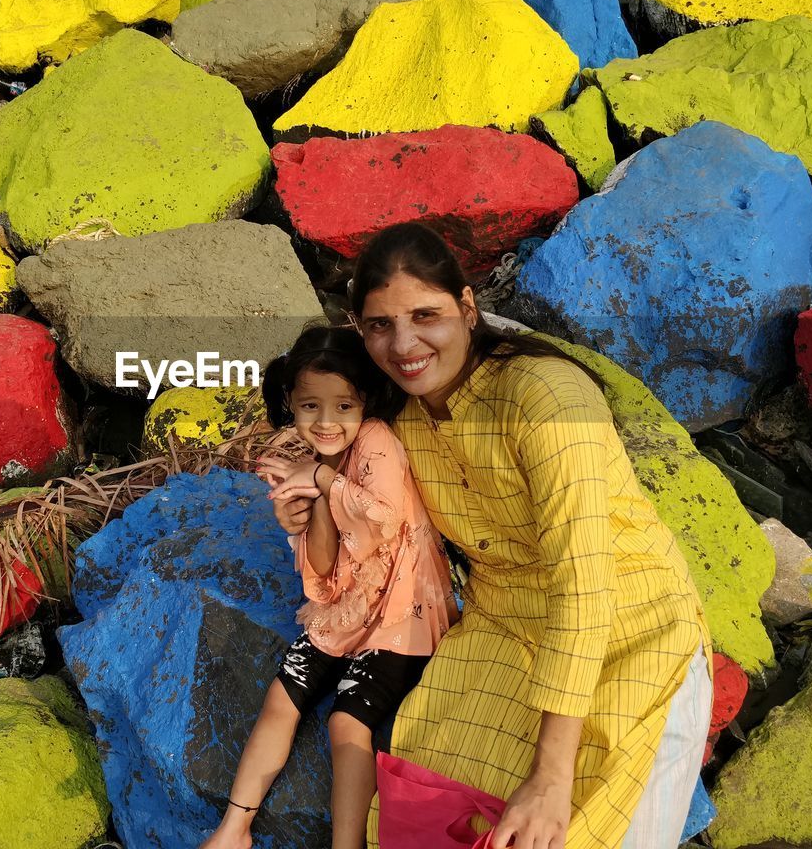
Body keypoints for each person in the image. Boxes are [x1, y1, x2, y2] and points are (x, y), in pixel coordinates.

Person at [272, 224, 712, 849]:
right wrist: (313, 499)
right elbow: (355, 479)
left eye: (426, 315)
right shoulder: (402, 418)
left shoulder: (547, 399)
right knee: (425, 815)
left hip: (627, 623)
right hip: (502, 627)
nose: (404, 345)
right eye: (379, 326)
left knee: (579, 828)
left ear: (469, 308)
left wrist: (551, 777)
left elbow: (586, 583)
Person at [201, 326, 458, 849]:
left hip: (401, 614)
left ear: (365, 402)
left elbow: (382, 518)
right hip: (345, 612)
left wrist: (319, 481)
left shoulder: (378, 441)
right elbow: (320, 570)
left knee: (347, 722)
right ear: (291, 405)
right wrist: (298, 511)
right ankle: (234, 828)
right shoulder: (315, 460)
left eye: (344, 405)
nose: (326, 421)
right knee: (280, 698)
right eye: (310, 406)